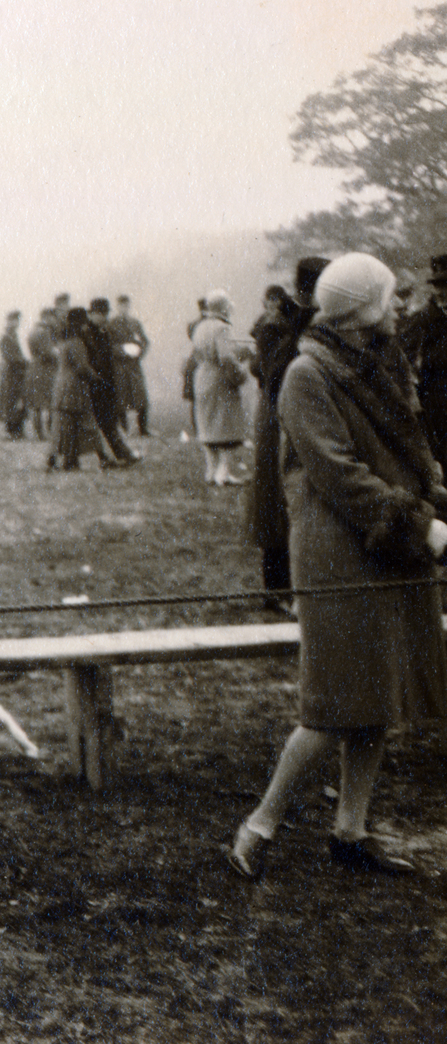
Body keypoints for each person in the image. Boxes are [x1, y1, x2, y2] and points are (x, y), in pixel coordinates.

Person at [228, 252, 446, 880]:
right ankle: (259, 827)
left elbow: (408, 464)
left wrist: (434, 505)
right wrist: (425, 528)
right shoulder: (307, 373)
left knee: (378, 700)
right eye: (387, 297)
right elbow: (340, 476)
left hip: (387, 545)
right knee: (331, 707)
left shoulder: (379, 361)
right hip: (341, 553)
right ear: (364, 308)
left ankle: (349, 832)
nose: (398, 306)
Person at [247, 260, 327, 614]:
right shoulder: (280, 326)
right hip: (278, 420)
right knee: (278, 504)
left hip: (287, 417)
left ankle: (290, 588)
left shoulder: (293, 323)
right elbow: (272, 374)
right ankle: (279, 590)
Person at [191, 290, 251, 486]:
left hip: (203, 376)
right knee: (225, 425)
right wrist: (239, 376)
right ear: (225, 307)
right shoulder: (222, 328)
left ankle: (211, 471)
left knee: (208, 425)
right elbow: (225, 357)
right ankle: (223, 473)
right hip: (220, 379)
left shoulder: (200, 327)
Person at [395, 252, 447, 470]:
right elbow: (402, 368)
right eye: (437, 285)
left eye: (445, 284)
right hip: (438, 417)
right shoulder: (421, 323)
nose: (441, 291)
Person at [46, 307, 103, 471]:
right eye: (85, 323)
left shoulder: (64, 340)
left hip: (62, 388)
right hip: (74, 388)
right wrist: (97, 378)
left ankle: (66, 461)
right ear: (80, 324)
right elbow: (82, 368)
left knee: (65, 426)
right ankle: (100, 458)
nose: (86, 326)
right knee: (84, 423)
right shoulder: (77, 342)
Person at [84, 298, 139, 465]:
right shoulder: (86, 332)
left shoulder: (103, 330)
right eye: (101, 314)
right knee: (99, 422)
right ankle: (109, 456)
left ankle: (120, 454)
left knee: (108, 421)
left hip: (106, 383)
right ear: (92, 314)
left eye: (106, 314)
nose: (105, 318)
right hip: (94, 383)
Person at [106, 294, 151, 436]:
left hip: (133, 365)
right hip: (119, 365)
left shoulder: (135, 323)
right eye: (121, 306)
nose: (124, 309)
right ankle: (124, 429)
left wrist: (138, 352)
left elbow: (145, 341)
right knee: (121, 398)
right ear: (117, 307)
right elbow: (107, 345)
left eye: (126, 306)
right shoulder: (111, 324)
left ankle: (143, 429)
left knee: (141, 397)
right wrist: (122, 351)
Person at [0, 310, 28, 439]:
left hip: (18, 374)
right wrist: (23, 361)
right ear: (8, 321)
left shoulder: (15, 336)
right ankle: (10, 431)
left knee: (19, 401)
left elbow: (18, 355)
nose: (16, 323)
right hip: (10, 374)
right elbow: (9, 357)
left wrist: (23, 361)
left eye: (18, 320)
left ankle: (18, 430)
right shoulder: (5, 337)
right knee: (10, 402)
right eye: (14, 320)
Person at [24, 307, 57, 440]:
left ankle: (39, 433)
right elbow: (48, 353)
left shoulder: (33, 331)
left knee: (37, 405)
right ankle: (48, 432)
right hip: (45, 370)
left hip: (34, 368)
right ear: (48, 317)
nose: (54, 321)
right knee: (50, 403)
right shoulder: (45, 332)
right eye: (53, 317)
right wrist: (59, 354)